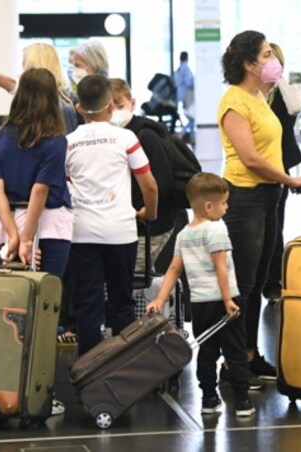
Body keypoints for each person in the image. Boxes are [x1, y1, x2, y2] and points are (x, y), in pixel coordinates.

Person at [217, 30, 301, 383]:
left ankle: (250, 355)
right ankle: (233, 363)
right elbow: (251, 158)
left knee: (257, 281)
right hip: (246, 198)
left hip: (269, 197)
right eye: (267, 54)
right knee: (245, 284)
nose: (274, 61)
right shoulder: (234, 101)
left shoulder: (259, 97)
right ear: (248, 63)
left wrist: (282, 184)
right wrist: (291, 179)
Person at [145, 172, 255, 417]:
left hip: (200, 305)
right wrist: (228, 300)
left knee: (207, 351)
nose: (226, 209)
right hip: (224, 302)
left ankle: (208, 398)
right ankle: (242, 400)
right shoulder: (216, 229)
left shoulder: (184, 234)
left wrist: (159, 299)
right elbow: (221, 268)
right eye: (224, 203)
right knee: (235, 350)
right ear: (208, 206)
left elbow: (173, 269)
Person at [65, 75, 158, 356]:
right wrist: (148, 213)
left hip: (80, 233)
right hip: (120, 231)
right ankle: (124, 372)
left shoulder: (66, 143)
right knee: (122, 303)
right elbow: (149, 185)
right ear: (110, 107)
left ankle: (89, 376)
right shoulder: (126, 138)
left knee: (88, 306)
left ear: (79, 108)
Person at [0, 67, 73, 278]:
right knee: (48, 296)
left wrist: (13, 236)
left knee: (16, 298)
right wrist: (26, 239)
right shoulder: (55, 140)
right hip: (51, 225)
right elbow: (40, 191)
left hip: (13, 222)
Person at [109, 78, 176, 316]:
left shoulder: (146, 135)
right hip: (129, 223)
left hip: (150, 224)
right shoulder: (113, 136)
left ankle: (139, 334)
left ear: (132, 103)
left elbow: (161, 182)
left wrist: (145, 212)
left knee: (133, 282)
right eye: (110, 106)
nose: (114, 111)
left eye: (119, 104)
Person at [261, 42, 301, 305]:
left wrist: (280, 80)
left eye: (273, 59)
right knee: (264, 229)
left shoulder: (284, 93)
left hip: (280, 166)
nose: (269, 64)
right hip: (256, 169)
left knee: (276, 225)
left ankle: (274, 282)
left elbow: (294, 110)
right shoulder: (249, 95)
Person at [0, 43, 81, 134]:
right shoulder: (64, 98)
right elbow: (11, 84)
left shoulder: (48, 104)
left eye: (24, 65)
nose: (22, 71)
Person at [173, 51, 195, 141]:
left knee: (192, 117)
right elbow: (189, 82)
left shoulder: (178, 69)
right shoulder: (185, 69)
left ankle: (193, 137)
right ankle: (182, 133)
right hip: (187, 96)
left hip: (180, 95)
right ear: (187, 58)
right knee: (193, 118)